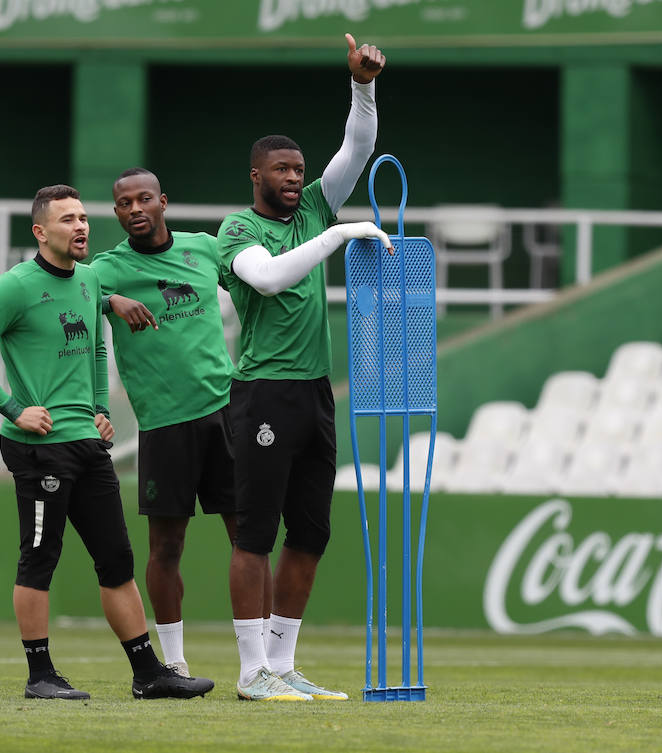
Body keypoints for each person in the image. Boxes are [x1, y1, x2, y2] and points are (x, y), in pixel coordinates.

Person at [0, 184, 215, 701]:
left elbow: (97, 344)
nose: (80, 227)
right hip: (39, 447)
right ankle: (40, 675)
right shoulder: (15, 287)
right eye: (67, 220)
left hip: (86, 445)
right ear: (40, 231)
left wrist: (98, 408)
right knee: (40, 558)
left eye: (82, 218)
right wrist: (14, 409)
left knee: (116, 558)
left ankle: (148, 675)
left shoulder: (92, 280)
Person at [216, 33, 391, 702]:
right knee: (254, 532)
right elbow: (267, 281)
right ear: (257, 176)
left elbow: (357, 148)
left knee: (312, 531)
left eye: (299, 169)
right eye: (282, 170)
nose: (295, 178)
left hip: (315, 394)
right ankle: (249, 670)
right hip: (262, 392)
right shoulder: (239, 230)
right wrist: (341, 235)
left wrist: (362, 86)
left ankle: (283, 664)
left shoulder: (318, 204)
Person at [88, 167, 271, 678]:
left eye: (144, 199)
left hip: (225, 411)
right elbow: (63, 292)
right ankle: (173, 662)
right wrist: (110, 301)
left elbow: (258, 284)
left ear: (163, 201)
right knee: (166, 547)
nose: (135, 209)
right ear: (118, 212)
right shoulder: (107, 269)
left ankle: (265, 663)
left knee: (249, 539)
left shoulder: (205, 249)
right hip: (164, 425)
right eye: (124, 203)